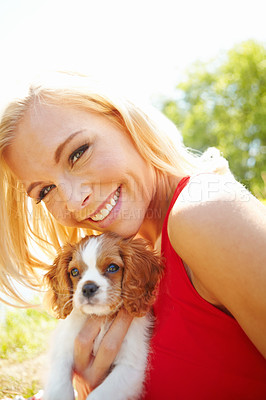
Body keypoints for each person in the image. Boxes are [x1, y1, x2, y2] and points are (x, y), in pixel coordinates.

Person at [0, 72, 265, 400]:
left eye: (78, 152)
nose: (72, 199)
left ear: (124, 121)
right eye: (46, 190)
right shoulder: (133, 255)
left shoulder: (203, 212)